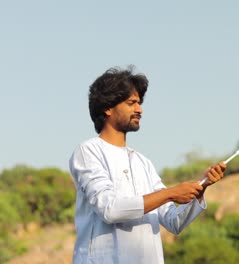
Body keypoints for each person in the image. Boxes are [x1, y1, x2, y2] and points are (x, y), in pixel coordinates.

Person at [69, 66, 226, 263]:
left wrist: (201, 187)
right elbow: (109, 209)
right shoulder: (88, 151)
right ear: (108, 108)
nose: (139, 109)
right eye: (131, 103)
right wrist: (170, 193)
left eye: (140, 103)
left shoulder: (143, 163)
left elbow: (173, 221)